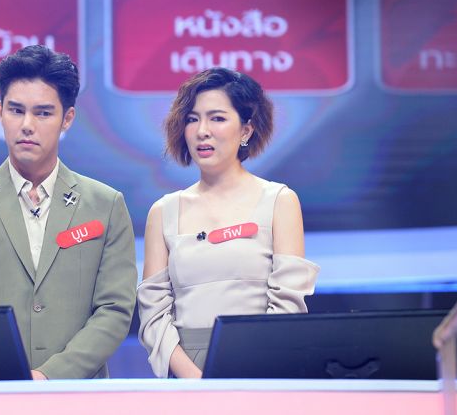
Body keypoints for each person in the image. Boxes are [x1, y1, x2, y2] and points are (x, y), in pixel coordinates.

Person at [0, 45, 137, 380]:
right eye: (16, 110)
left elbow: (114, 310)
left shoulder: (106, 204)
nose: (27, 125)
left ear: (67, 118)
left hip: (80, 395)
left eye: (43, 113)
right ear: (0, 112)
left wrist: (50, 376)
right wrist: (6, 378)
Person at [137, 68, 320, 378]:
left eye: (217, 118)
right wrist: (195, 380)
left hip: (262, 365)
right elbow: (153, 314)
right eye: (192, 119)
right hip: (186, 372)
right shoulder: (163, 211)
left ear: (246, 130)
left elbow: (288, 305)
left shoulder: (279, 201)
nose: (202, 131)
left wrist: (246, 376)